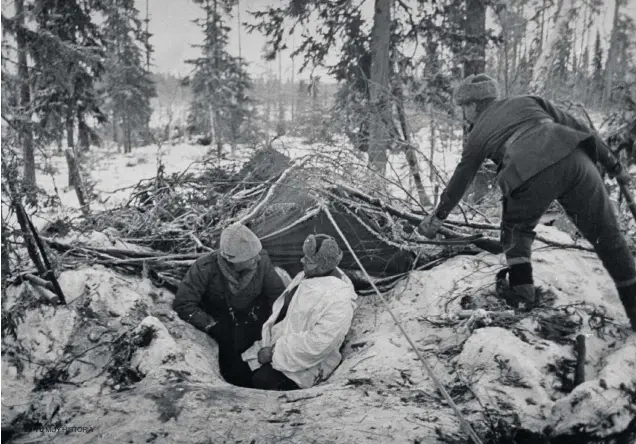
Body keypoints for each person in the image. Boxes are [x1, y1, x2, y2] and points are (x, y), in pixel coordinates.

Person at [418, 73, 636, 331]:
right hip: (577, 160)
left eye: (463, 108)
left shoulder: (477, 135)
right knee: (608, 239)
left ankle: (522, 296)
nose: (464, 115)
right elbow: (582, 128)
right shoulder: (530, 101)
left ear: (473, 105)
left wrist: (438, 217)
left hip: (527, 171)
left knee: (515, 234)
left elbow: (461, 179)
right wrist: (614, 165)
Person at [173, 223, 286, 387]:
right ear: (232, 260)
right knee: (233, 370)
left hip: (253, 323)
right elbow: (184, 304)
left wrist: (278, 326)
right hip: (224, 328)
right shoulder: (205, 267)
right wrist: (210, 325)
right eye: (251, 257)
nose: (258, 258)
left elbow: (278, 297)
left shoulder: (262, 261)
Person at [241, 234, 358, 390]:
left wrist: (274, 353)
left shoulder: (339, 300)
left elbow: (317, 345)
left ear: (322, 266)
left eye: (308, 260)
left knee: (260, 381)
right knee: (238, 369)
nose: (302, 261)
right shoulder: (310, 274)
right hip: (283, 341)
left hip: (305, 361)